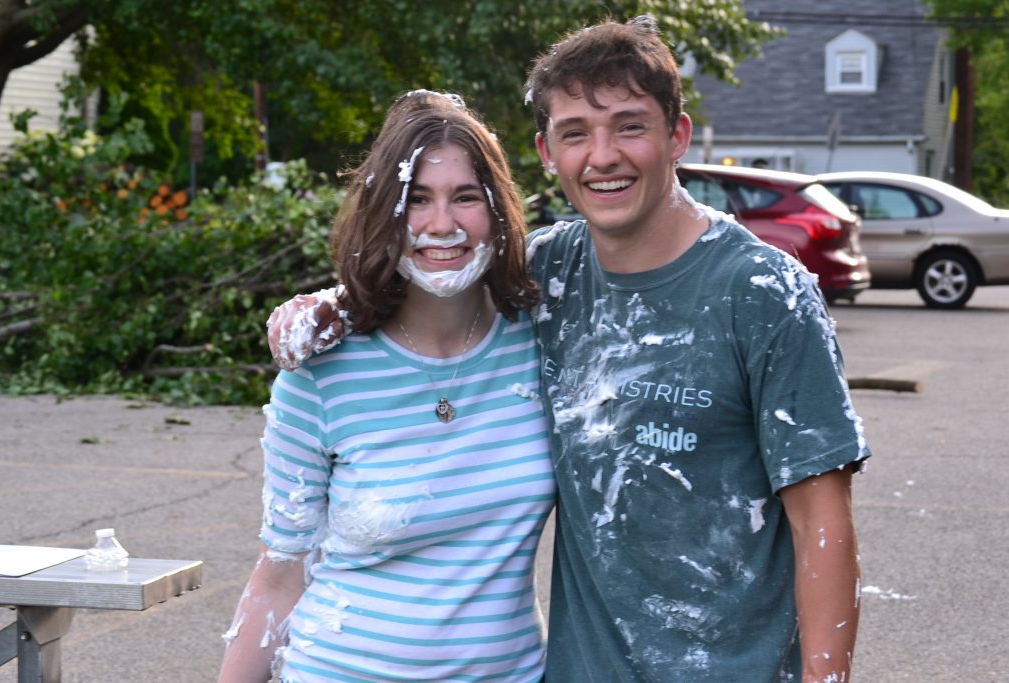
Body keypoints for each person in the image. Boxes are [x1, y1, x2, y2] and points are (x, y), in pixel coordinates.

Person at [265, 16, 871, 683]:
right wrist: (335, 305)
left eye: (629, 126)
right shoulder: (547, 276)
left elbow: (824, 524)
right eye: (576, 132)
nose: (602, 155)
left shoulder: (762, 290)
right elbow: (437, 272)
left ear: (678, 136)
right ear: (547, 152)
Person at [218, 90, 554, 683]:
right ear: (382, 214)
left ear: (497, 208)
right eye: (416, 199)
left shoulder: (542, 344)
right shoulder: (320, 373)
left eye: (465, 197)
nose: (441, 224)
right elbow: (279, 577)